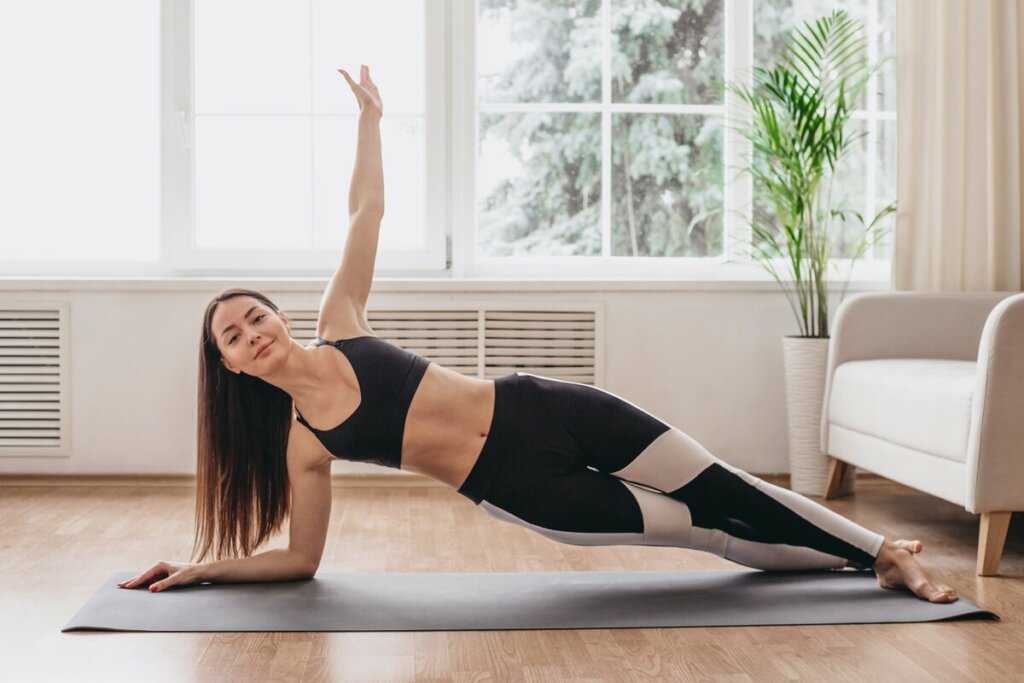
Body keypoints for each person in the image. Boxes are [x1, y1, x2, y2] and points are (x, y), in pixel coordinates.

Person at [118, 65, 958, 605]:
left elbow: (365, 212)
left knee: (723, 482)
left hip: (549, 408)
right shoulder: (304, 444)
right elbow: (301, 559)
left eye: (255, 313)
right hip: (520, 486)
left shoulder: (341, 321)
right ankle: (863, 562)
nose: (252, 330)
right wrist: (204, 566)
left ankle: (881, 549)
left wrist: (371, 121)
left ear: (281, 315)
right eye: (233, 333)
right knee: (710, 532)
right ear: (227, 364)